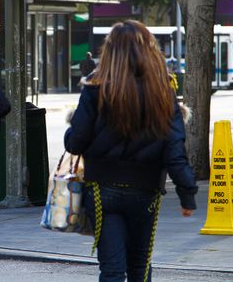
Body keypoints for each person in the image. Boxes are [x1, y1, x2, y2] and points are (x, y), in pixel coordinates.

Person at [64, 20, 197, 282]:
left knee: (112, 270)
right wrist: (187, 193)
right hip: (145, 191)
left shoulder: (95, 86)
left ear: (110, 51)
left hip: (103, 190)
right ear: (149, 49)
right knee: (140, 267)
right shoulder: (163, 90)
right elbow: (175, 150)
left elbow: (76, 142)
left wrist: (71, 127)